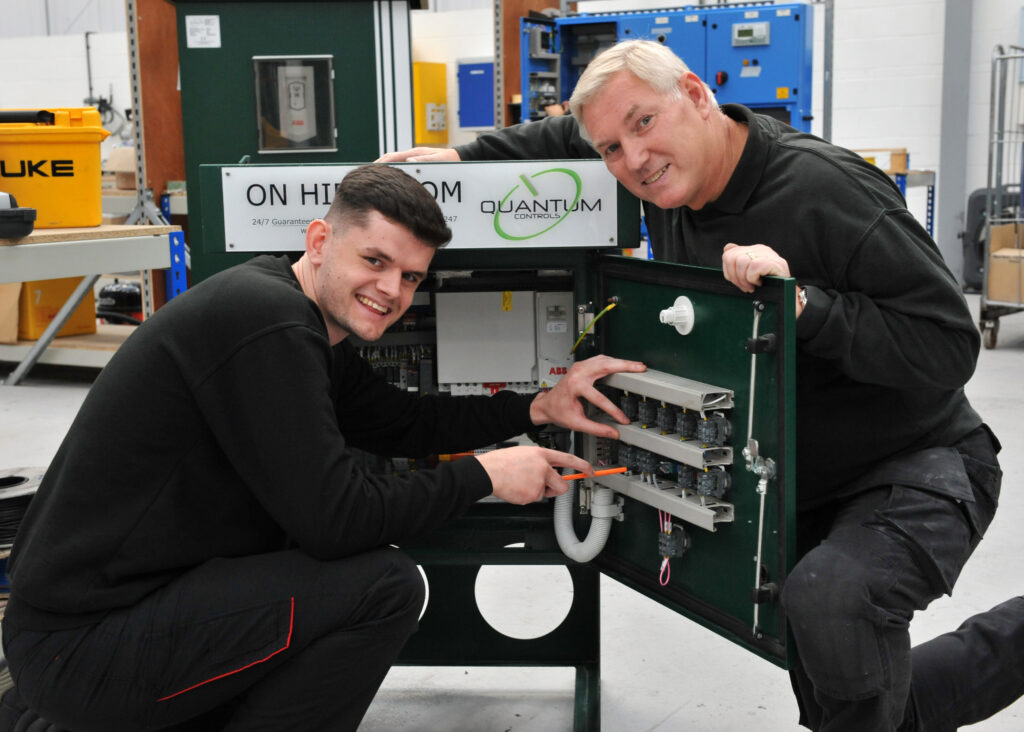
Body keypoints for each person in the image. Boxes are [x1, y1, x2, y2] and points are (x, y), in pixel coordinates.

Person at [380, 40, 1024, 731]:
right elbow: (574, 127)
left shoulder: (826, 191)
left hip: (919, 462)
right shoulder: (659, 168)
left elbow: (949, 346)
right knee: (853, 696)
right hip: (801, 478)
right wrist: (463, 158)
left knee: (832, 603)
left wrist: (803, 304)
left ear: (695, 93)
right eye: (611, 150)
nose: (633, 160)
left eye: (645, 124)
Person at [0, 164, 646, 731]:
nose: (393, 291)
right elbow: (334, 521)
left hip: (100, 630)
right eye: (375, 261)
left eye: (412, 277)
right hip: (82, 650)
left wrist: (535, 407)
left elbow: (403, 422)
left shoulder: (289, 315)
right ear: (319, 240)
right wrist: (483, 476)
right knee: (382, 585)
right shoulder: (268, 322)